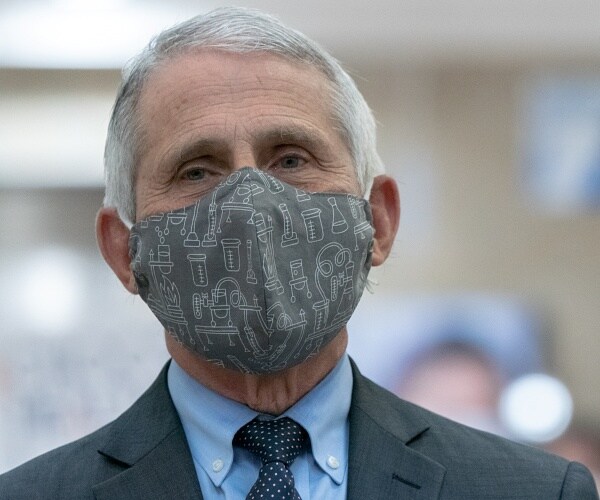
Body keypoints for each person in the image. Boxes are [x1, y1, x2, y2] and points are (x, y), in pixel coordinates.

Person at [0, 7, 597, 499]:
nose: (249, 205)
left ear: (378, 220)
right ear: (123, 250)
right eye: (197, 169)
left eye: (291, 159)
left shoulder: (535, 491)